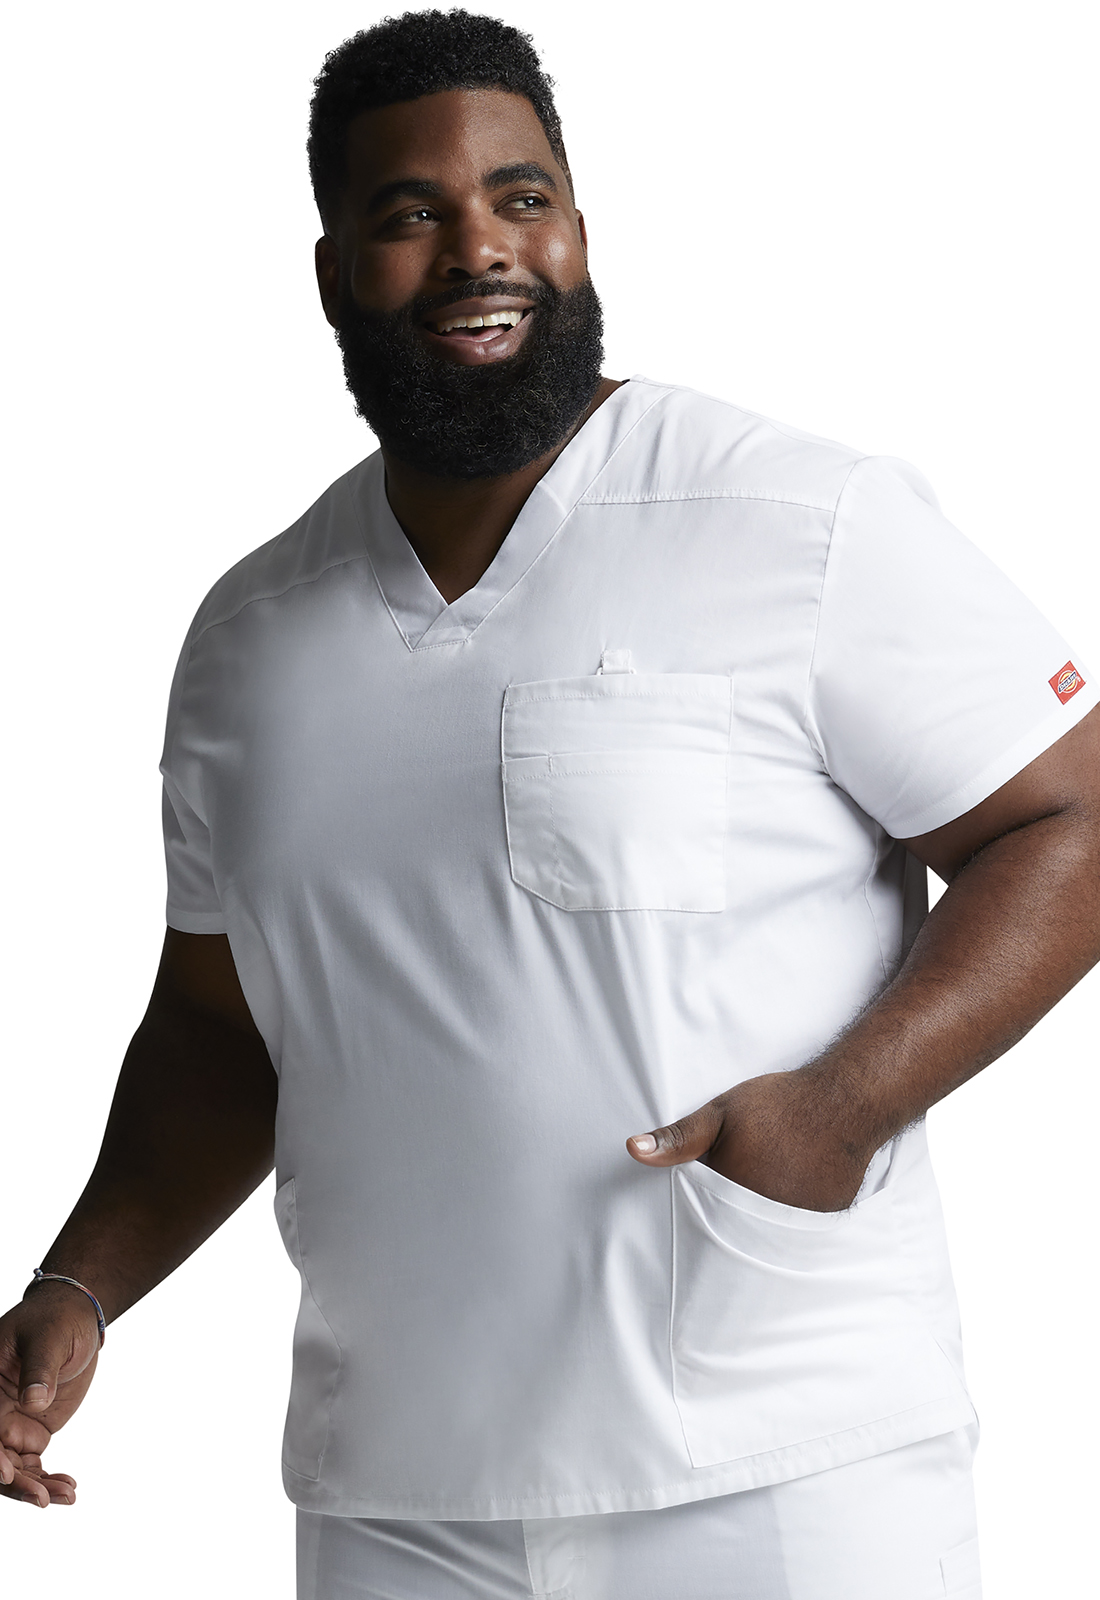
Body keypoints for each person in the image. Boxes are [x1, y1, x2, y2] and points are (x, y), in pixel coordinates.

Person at [2, 9, 1098, 1596]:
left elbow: (1068, 819)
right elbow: (227, 1030)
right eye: (411, 213)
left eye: (521, 199)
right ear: (334, 272)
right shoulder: (248, 642)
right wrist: (82, 1283)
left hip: (780, 1463)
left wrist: (843, 1104)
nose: (479, 250)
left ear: (579, 229)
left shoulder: (792, 519)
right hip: (398, 1499)